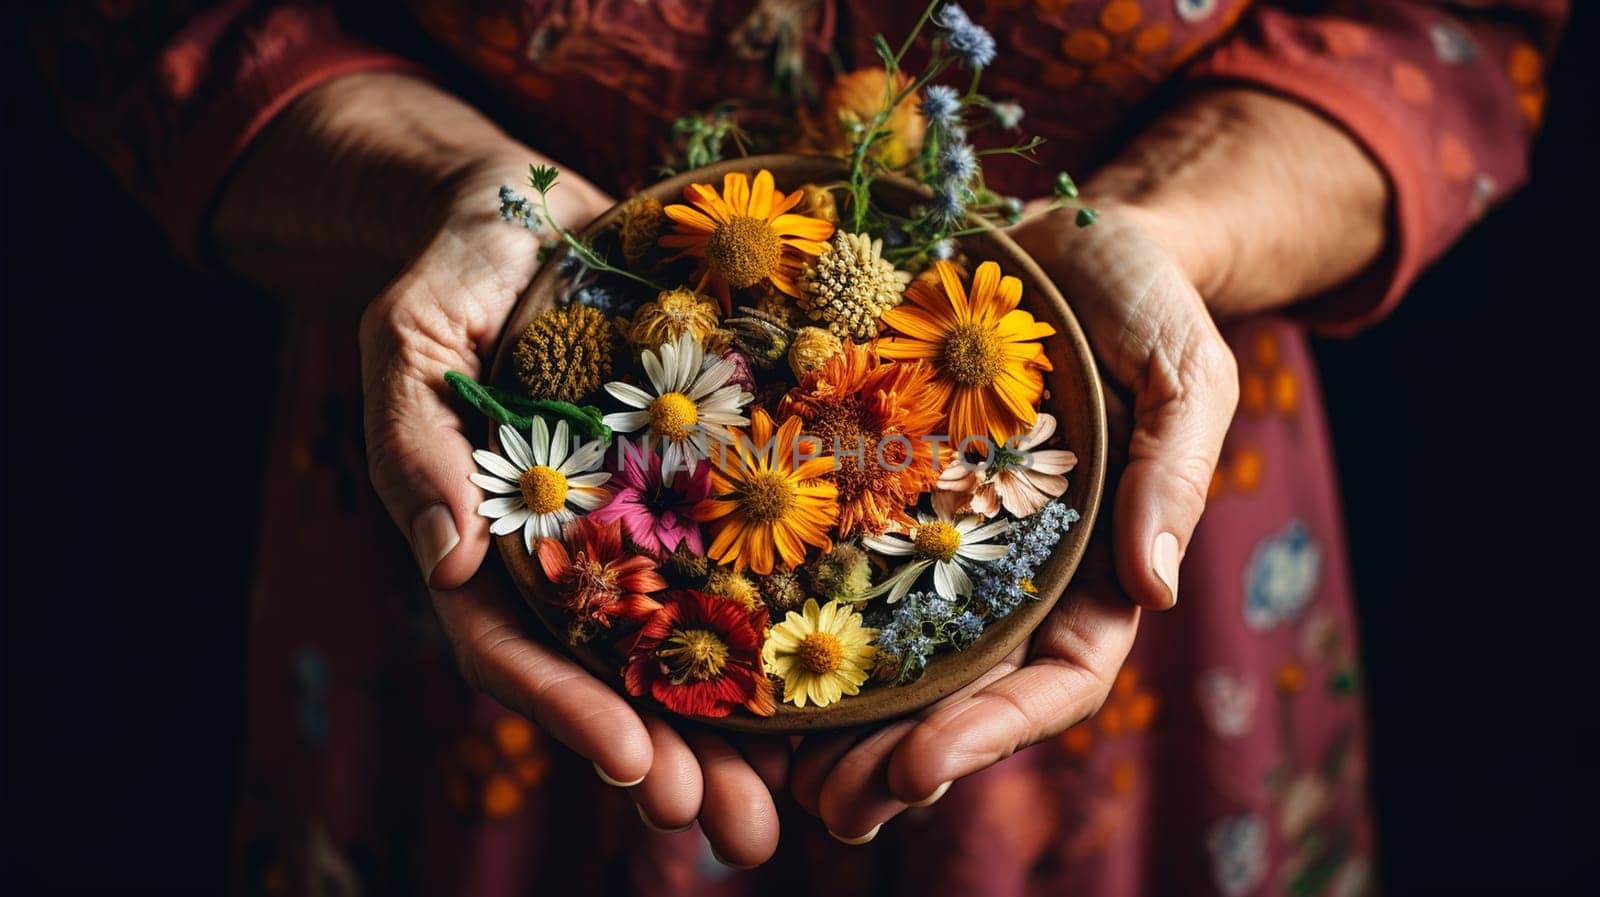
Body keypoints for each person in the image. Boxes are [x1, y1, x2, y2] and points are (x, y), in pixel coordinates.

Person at [33, 1, 1566, 894]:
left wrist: (1160, 237)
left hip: (1099, 477)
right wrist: (458, 201)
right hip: (485, 462)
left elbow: (1454, 32)